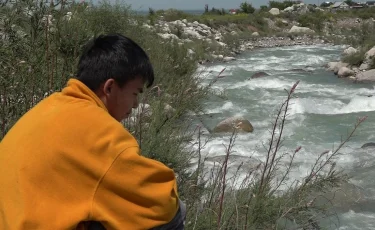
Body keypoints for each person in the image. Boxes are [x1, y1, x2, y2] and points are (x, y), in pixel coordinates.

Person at [0, 33, 185, 229]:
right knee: (173, 216)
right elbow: (162, 202)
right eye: (135, 93)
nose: (136, 104)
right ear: (110, 88)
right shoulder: (99, 130)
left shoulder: (50, 106)